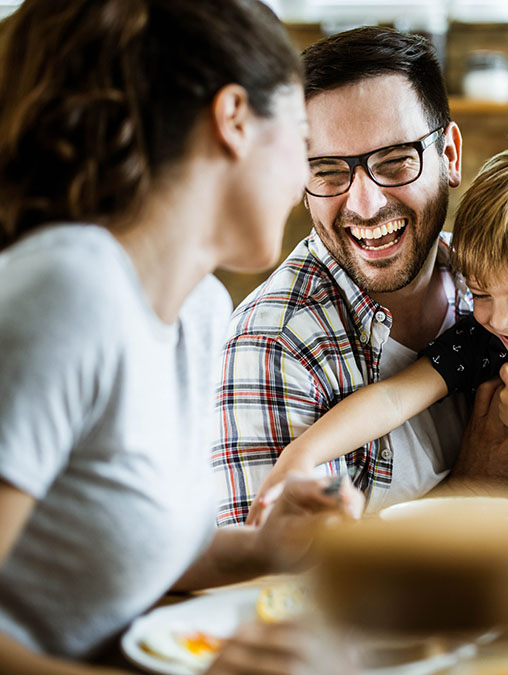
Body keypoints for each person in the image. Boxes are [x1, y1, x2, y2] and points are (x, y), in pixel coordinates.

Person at [0, 1, 361, 673]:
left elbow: (121, 547)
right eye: (305, 136)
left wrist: (270, 546)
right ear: (234, 119)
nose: (307, 178)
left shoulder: (197, 310)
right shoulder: (69, 289)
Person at [213, 26, 508, 523]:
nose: (366, 203)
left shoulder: (492, 272)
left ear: (450, 156)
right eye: (328, 170)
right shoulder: (273, 343)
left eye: (395, 162)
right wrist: (476, 488)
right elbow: (282, 582)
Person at [247, 146, 508, 520]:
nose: (501, 319)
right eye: (481, 293)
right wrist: (301, 454)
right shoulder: (480, 339)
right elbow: (393, 398)